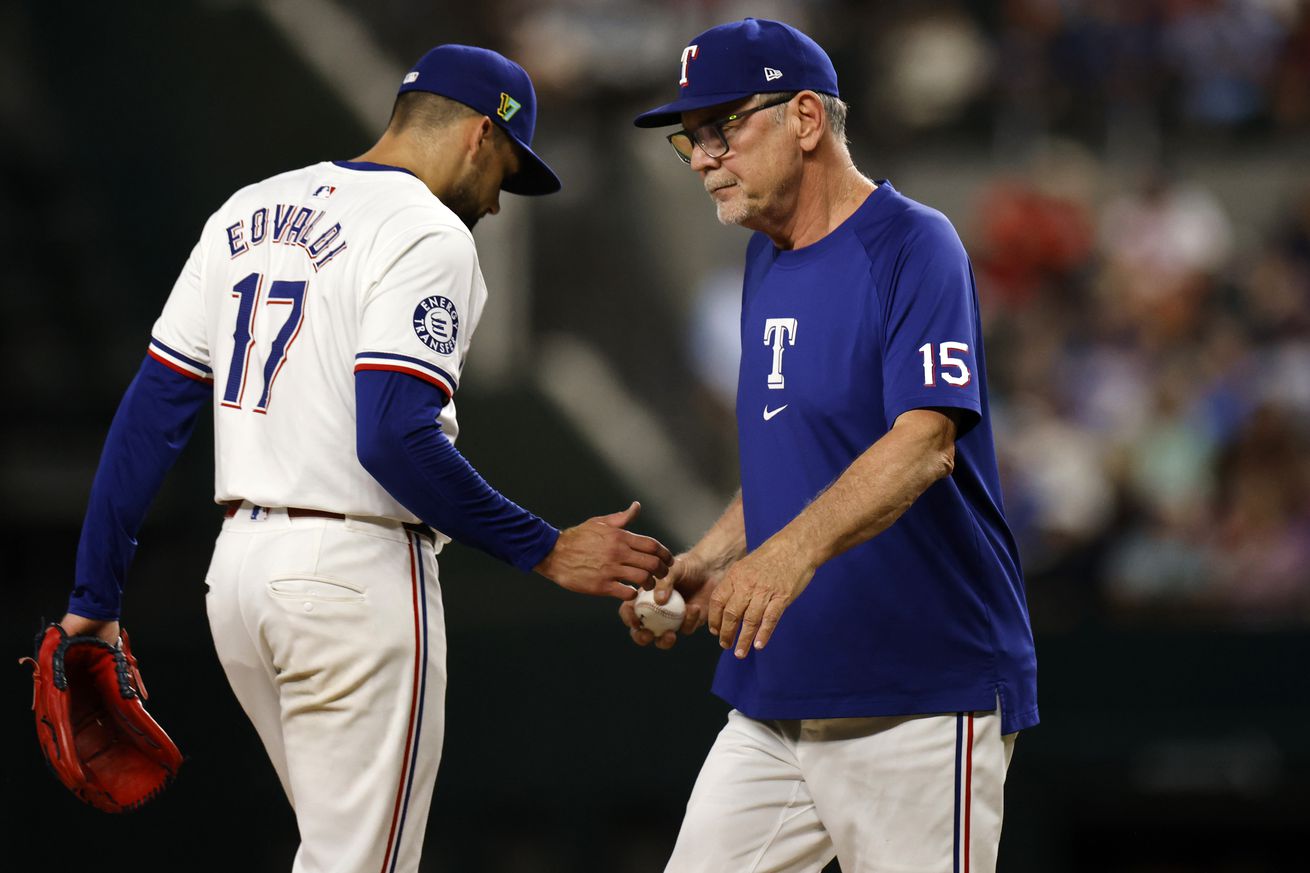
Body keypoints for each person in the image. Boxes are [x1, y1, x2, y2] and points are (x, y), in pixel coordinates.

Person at [56, 44, 672, 873]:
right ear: (479, 136)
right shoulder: (427, 231)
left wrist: (92, 597)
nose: (496, 203)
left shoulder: (246, 211)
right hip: (350, 579)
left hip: (239, 583)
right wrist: (546, 546)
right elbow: (392, 436)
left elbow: (150, 418)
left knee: (338, 854)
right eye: (507, 171)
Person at [622, 18, 1038, 873]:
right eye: (690, 138)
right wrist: (713, 553)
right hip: (779, 700)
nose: (702, 156)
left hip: (920, 695)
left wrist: (781, 560)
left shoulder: (914, 243)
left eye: (722, 127)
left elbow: (925, 442)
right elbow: (799, 451)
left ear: (805, 118)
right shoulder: (764, 260)